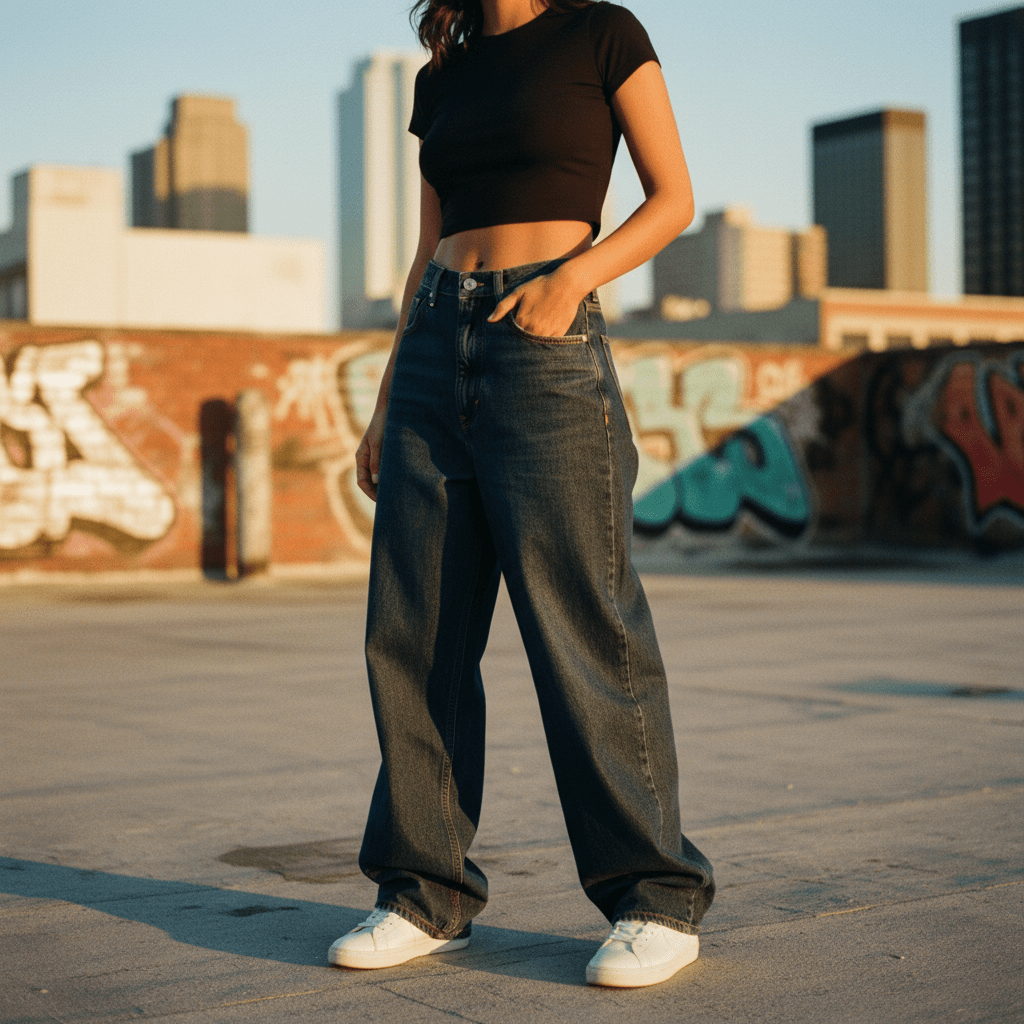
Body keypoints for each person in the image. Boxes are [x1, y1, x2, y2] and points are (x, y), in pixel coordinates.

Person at [328, 0, 715, 988]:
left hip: (545, 336)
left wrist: (570, 281)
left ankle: (654, 897)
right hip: (433, 345)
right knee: (414, 635)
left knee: (583, 626)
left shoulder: (602, 34)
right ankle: (423, 892)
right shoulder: (440, 77)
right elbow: (427, 246)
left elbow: (672, 198)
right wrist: (388, 397)